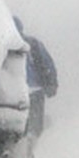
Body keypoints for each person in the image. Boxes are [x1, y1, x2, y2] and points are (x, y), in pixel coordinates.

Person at [14, 17, 58, 145]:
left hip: (17, 93)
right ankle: (28, 150)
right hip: (35, 90)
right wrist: (51, 84)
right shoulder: (33, 44)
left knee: (22, 125)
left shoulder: (5, 45)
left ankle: (25, 151)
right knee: (35, 125)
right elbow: (48, 64)